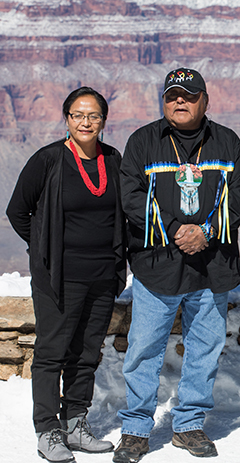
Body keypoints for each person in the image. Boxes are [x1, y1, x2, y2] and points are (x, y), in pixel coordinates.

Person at [114, 68, 240, 462]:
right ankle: (137, 430)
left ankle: (189, 424)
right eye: (173, 95)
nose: (180, 102)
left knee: (204, 348)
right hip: (157, 267)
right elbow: (131, 195)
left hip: (213, 267)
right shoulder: (143, 141)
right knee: (143, 349)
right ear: (164, 100)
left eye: (189, 96)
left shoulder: (225, 141)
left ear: (204, 101)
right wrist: (175, 229)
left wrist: (205, 230)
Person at [7, 87, 126, 463]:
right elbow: (17, 212)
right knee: (51, 352)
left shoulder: (113, 158)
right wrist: (42, 248)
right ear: (67, 118)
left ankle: (76, 423)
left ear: (104, 121)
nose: (85, 122)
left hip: (103, 275)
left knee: (87, 353)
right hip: (59, 277)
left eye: (93, 115)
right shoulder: (48, 159)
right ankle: (48, 430)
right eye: (77, 115)